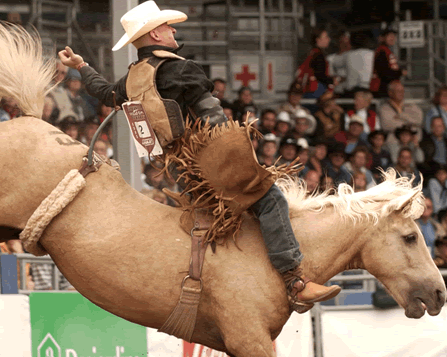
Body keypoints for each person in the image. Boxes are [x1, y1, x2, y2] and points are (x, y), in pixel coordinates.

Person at [61, 1, 341, 311]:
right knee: (270, 200)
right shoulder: (181, 68)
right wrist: (240, 159)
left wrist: (81, 66)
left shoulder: (133, 78)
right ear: (155, 35)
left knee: (211, 225)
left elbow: (105, 93)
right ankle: (295, 283)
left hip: (181, 172)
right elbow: (214, 118)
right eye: (167, 26)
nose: (173, 29)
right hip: (209, 162)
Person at [295, 27, 335, 99]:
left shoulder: (312, 53)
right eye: (326, 37)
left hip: (309, 89)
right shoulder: (318, 55)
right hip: (315, 90)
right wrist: (332, 80)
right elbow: (320, 75)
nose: (328, 39)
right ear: (318, 40)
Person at [371, 29, 405, 97]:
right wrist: (400, 72)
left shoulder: (386, 50)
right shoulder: (382, 51)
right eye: (389, 36)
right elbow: (384, 72)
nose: (392, 38)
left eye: (394, 36)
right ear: (382, 38)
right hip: (382, 88)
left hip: (387, 87)